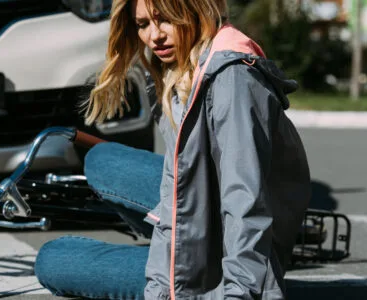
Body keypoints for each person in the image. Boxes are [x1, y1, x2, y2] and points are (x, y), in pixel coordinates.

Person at [33, 0, 311, 299]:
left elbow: (246, 201)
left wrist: (237, 292)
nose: (155, 36)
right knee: (101, 160)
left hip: (218, 264)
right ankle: (172, 243)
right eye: (143, 25)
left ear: (195, 10)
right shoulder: (186, 67)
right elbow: (175, 182)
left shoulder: (232, 78)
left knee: (54, 258)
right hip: (205, 215)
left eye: (166, 19)